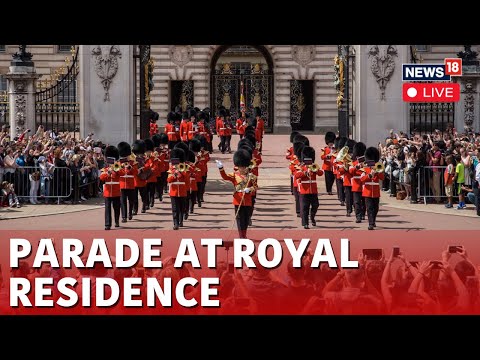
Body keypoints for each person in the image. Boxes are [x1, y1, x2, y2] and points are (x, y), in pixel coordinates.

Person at [216, 149, 258, 238]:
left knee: (246, 219)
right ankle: (241, 236)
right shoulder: (234, 175)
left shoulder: (252, 176)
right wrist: (221, 168)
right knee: (239, 219)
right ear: (238, 166)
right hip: (237, 199)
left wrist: (249, 189)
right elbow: (225, 176)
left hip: (247, 200)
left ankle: (244, 234)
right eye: (241, 167)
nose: (242, 168)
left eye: (244, 167)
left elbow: (256, 187)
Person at [294, 146, 324, 229]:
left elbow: (321, 173)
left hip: (313, 191)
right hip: (304, 191)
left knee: (316, 205)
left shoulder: (314, 166)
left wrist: (316, 170)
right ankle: (305, 223)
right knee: (304, 207)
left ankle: (312, 216)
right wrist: (305, 172)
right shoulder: (301, 167)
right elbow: (296, 175)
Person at [99, 145, 124, 230]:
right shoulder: (105, 168)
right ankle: (107, 224)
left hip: (116, 190)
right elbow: (102, 178)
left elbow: (122, 173)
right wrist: (108, 173)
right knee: (107, 208)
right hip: (107, 191)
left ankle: (116, 221)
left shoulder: (117, 166)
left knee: (116, 208)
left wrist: (115, 169)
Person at [360, 147, 385, 230]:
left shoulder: (378, 167)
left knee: (376, 208)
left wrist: (378, 172)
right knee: (369, 208)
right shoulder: (365, 169)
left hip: (376, 191)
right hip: (367, 191)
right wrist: (370, 175)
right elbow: (362, 179)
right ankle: (371, 223)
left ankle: (373, 220)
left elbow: (382, 178)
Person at [167, 148, 188, 230]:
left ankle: (181, 221)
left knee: (182, 208)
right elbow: (168, 180)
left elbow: (186, 179)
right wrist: (174, 175)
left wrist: (181, 172)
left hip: (182, 191)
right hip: (174, 191)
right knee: (175, 208)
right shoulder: (171, 169)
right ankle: (176, 223)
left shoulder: (184, 168)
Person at [117, 142, 137, 222]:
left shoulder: (133, 163)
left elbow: (136, 172)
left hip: (130, 184)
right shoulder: (119, 163)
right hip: (122, 184)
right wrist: (121, 167)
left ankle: (130, 213)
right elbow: (117, 172)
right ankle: (124, 216)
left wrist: (130, 168)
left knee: (131, 200)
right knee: (123, 201)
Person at [350, 142, 366, 223]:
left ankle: (363, 214)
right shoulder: (353, 162)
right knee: (356, 202)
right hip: (356, 183)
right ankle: (358, 216)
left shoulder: (366, 162)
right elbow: (350, 171)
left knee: (364, 201)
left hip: (364, 184)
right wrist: (357, 166)